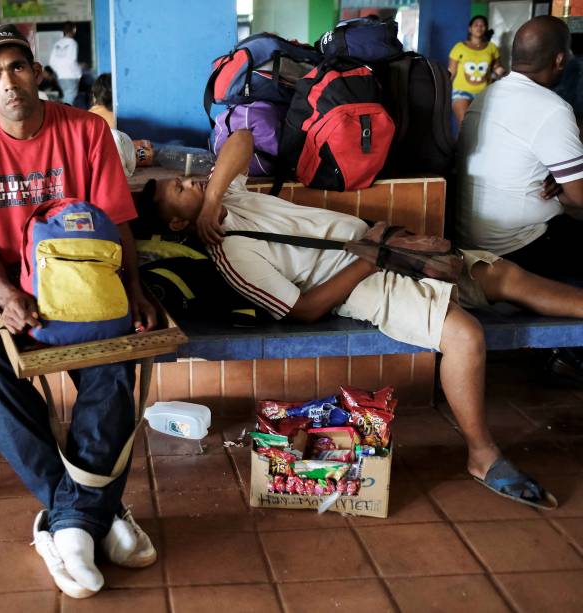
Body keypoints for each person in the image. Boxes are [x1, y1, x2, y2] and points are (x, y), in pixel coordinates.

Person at [141, 128, 583, 511]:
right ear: (180, 224)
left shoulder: (226, 197)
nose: (187, 180)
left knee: (501, 276)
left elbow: (242, 138)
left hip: (387, 248)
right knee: (464, 334)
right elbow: (304, 310)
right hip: (361, 281)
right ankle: (482, 456)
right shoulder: (231, 253)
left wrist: (213, 196)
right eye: (178, 190)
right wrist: (370, 261)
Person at [0, 24, 157, 598]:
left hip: (83, 279)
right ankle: (91, 513)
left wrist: (133, 286)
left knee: (114, 348)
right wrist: (8, 295)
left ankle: (69, 522)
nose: (7, 82)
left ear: (36, 72)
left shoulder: (85, 130)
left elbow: (118, 221)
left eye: (16, 67)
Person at [456, 15, 583, 381]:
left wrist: (558, 181)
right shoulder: (551, 108)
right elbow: (579, 198)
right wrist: (566, 188)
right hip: (520, 246)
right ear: (560, 60)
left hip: (476, 242)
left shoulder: (486, 96)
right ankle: (571, 354)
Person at [449, 15, 504, 128]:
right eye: (476, 25)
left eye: (482, 25)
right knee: (465, 125)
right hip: (461, 92)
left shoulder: (492, 48)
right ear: (470, 29)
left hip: (484, 93)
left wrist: (500, 71)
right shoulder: (459, 47)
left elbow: (497, 67)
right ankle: (464, 146)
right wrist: (443, 92)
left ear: (486, 28)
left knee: (481, 127)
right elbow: (451, 71)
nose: (479, 27)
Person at [49, 22, 81, 105]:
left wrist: (60, 70)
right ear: (74, 30)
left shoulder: (57, 43)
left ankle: (62, 114)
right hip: (71, 76)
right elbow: (72, 60)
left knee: (66, 98)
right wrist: (79, 73)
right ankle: (65, 116)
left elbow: (51, 62)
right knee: (70, 101)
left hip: (61, 76)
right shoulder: (72, 43)